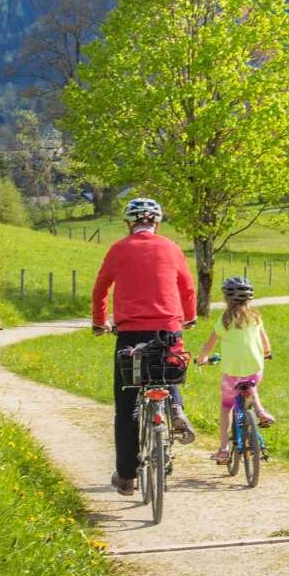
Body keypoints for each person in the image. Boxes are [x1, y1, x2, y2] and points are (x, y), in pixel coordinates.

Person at [92, 196, 198, 495]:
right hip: (169, 330)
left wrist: (100, 323)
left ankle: (127, 477)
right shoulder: (172, 248)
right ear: (157, 223)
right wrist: (188, 319)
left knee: (126, 406)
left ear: (129, 223)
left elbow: (101, 289)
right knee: (167, 370)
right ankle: (176, 408)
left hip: (130, 334)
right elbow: (187, 288)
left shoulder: (118, 249)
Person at [195, 275, 275, 465]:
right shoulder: (256, 318)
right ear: (250, 299)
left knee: (226, 407)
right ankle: (260, 410)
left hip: (231, 373)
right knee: (251, 382)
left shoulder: (224, 322)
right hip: (255, 368)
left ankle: (223, 450)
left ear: (226, 299)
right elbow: (265, 342)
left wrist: (201, 360)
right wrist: (267, 353)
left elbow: (208, 346)